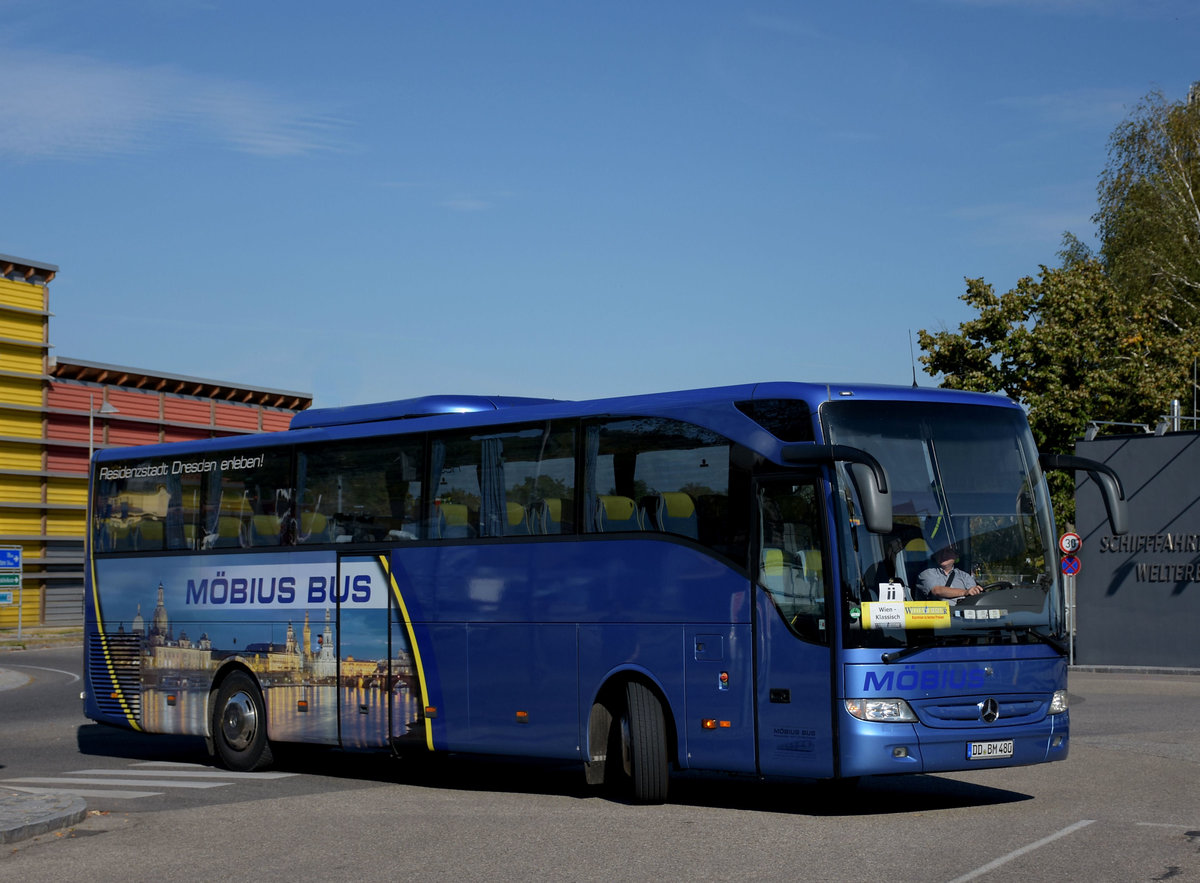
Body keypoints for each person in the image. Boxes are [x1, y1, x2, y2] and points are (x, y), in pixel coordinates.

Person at [918, 544, 983, 603]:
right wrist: (965, 592)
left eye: (948, 551)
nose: (943, 554)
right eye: (940, 551)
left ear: (956, 555)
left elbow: (974, 594)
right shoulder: (927, 572)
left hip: (963, 612)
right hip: (939, 614)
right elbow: (936, 590)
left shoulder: (965, 576)